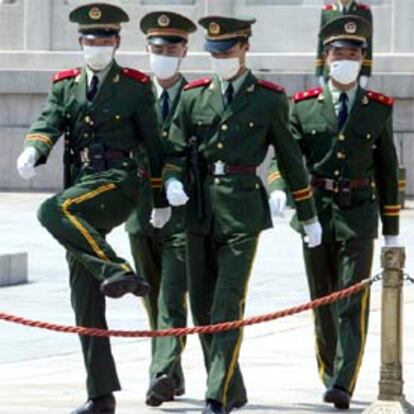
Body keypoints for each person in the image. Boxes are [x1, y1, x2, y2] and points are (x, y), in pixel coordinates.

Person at [160, 15, 322, 414]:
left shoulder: (268, 97)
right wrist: (172, 182)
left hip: (242, 209)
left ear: (245, 47)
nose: (219, 59)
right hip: (197, 210)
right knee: (200, 306)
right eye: (213, 53)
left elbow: (289, 158)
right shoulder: (194, 95)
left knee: (227, 304)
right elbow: (174, 151)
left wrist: (308, 213)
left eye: (227, 51)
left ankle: (217, 394)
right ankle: (233, 385)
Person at [16, 3, 166, 413]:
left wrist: (159, 199)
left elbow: (154, 146)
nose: (96, 46)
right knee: (84, 293)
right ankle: (100, 394)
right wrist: (34, 148)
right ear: (79, 42)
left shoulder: (135, 86)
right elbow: (48, 122)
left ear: (116, 42)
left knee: (51, 211)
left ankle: (117, 270)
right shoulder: (65, 85)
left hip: (118, 182)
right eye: (89, 40)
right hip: (81, 187)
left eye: (104, 40)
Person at [269, 15, 400, 410]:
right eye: (338, 53)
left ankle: (343, 380)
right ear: (325, 58)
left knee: (351, 300)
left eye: (354, 53)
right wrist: (278, 190)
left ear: (363, 59)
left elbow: (387, 170)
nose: (346, 59)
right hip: (317, 213)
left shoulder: (378, 108)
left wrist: (391, 227)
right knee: (322, 299)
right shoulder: (304, 106)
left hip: (358, 214)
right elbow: (285, 157)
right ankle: (329, 371)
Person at [125, 11, 196, 407]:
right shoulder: (133, 95)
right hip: (139, 212)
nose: (164, 55)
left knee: (172, 297)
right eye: (157, 49)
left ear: (184, 50)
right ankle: (174, 371)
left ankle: (162, 372)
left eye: (171, 48)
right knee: (152, 298)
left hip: (182, 217)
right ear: (147, 50)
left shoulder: (196, 95)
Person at [315, 1, 373, 87]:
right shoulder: (327, 11)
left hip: (354, 68)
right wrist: (319, 70)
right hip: (331, 68)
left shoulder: (364, 11)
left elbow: (368, 43)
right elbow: (322, 42)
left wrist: (365, 72)